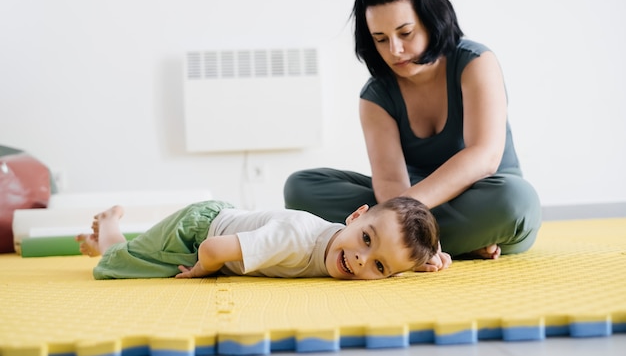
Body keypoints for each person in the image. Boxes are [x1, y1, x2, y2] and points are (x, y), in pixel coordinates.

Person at [284, 0, 542, 262]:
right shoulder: (376, 96)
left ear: (432, 22)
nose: (395, 50)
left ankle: (401, 245)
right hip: (409, 205)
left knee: (517, 201)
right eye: (380, 39)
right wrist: (406, 217)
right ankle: (448, 242)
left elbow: (483, 158)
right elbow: (391, 185)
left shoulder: (476, 62)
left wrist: (395, 218)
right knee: (300, 188)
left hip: (483, 196)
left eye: (405, 33)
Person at [75, 196, 449, 281]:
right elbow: (211, 249)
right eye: (365, 239)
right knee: (115, 265)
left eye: (380, 266)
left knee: (142, 253)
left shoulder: (346, 245)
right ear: (355, 217)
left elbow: (397, 258)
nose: (361, 260)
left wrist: (426, 258)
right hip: (196, 234)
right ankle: (108, 226)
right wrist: (204, 271)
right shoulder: (295, 240)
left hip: (229, 224)